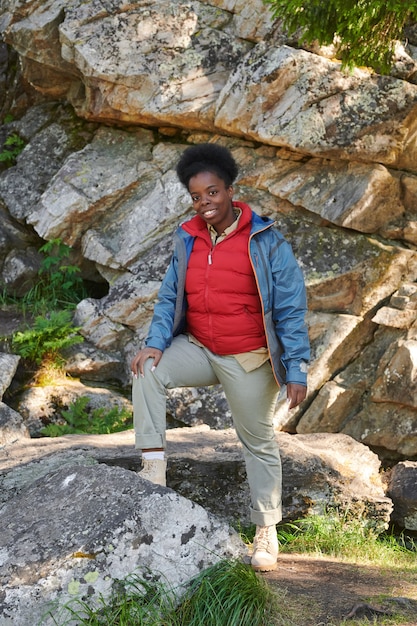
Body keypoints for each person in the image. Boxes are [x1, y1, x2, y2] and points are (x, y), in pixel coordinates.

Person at [131, 143, 310, 572]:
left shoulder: (265, 240)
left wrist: (297, 368)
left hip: (249, 356)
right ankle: (154, 473)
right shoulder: (187, 236)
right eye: (196, 196)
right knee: (146, 370)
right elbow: (171, 295)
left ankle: (266, 531)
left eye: (212, 192)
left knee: (257, 439)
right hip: (198, 346)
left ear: (230, 189)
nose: (204, 203)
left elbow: (290, 307)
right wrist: (156, 342)